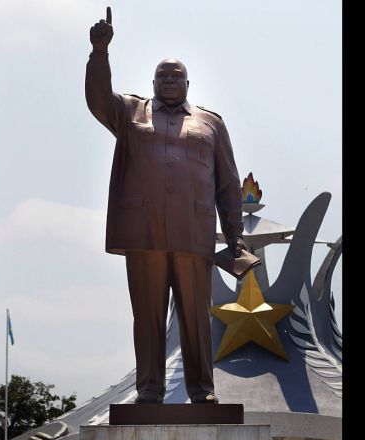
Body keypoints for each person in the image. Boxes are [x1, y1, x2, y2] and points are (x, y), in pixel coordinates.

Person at [86, 8, 247, 405]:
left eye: (177, 76)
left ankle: (202, 390)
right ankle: (150, 389)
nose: (170, 81)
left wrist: (235, 238)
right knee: (148, 317)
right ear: (152, 82)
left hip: (193, 234)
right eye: (163, 76)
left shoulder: (210, 123)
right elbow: (97, 99)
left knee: (196, 316)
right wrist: (99, 53)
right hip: (144, 234)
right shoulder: (130, 112)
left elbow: (227, 183)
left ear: (188, 83)